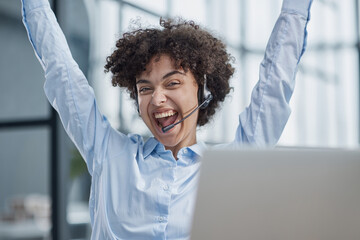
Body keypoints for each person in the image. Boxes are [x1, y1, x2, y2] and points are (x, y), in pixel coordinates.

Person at [21, 0, 313, 239]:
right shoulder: (110, 155)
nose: (157, 99)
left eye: (172, 83)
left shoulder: (232, 166)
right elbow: (62, 73)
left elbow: (274, 86)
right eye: (145, 88)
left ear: (202, 89)